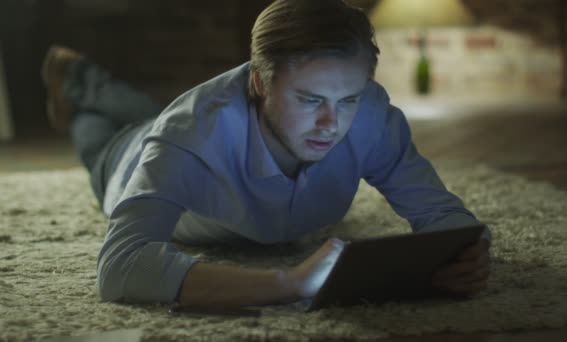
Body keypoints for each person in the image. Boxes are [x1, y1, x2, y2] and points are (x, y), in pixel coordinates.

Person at [41, 0, 491, 310]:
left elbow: (444, 216)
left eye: (348, 99)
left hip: (180, 123)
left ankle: (87, 79)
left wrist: (465, 254)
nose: (331, 124)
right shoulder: (190, 133)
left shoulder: (373, 114)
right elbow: (120, 268)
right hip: (124, 159)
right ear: (258, 82)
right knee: (99, 130)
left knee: (146, 110)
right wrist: (288, 283)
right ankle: (77, 79)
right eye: (310, 100)